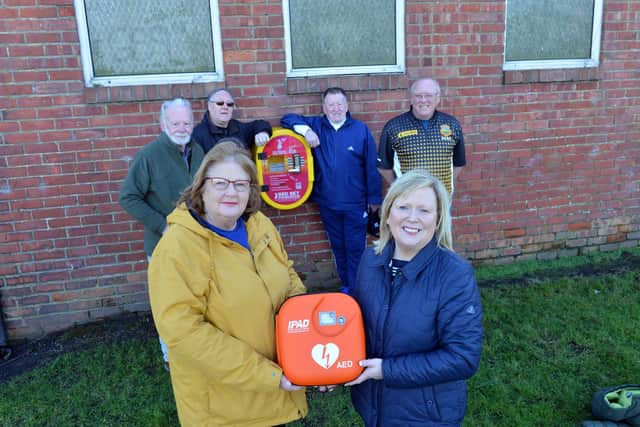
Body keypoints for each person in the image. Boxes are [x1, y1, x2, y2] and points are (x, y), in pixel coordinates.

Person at [147, 141, 308, 426]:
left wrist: (306, 349)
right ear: (201, 188)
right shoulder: (178, 247)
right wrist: (267, 375)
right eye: (220, 183)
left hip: (278, 390)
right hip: (226, 408)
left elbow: (289, 275)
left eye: (241, 184)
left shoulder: (259, 225)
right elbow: (182, 331)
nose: (231, 192)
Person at [345, 170, 483, 426]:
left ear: (438, 218)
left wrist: (387, 370)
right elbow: (358, 327)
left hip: (424, 414)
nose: (412, 218)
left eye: (424, 210)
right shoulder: (370, 260)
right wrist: (330, 369)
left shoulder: (453, 274)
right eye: (403, 207)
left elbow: (463, 357)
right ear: (387, 214)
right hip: (372, 406)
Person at [119, 98, 204, 370]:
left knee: (199, 299)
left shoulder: (199, 150)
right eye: (175, 123)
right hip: (164, 245)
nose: (182, 128)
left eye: (186, 122)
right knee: (170, 302)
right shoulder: (149, 156)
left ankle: (200, 351)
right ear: (163, 123)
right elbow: (128, 197)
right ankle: (172, 357)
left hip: (198, 241)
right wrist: (162, 225)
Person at [281, 87, 381, 294]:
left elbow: (371, 167)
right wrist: (306, 131)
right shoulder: (316, 125)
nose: (336, 108)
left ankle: (357, 290)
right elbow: (287, 119)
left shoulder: (360, 129)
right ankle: (347, 287)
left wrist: (374, 199)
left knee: (355, 250)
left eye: (339, 104)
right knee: (338, 248)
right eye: (331, 105)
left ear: (347, 106)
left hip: (355, 204)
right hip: (328, 203)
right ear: (324, 108)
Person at [377, 78, 466, 196]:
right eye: (418, 96)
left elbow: (458, 163)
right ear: (411, 99)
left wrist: (444, 185)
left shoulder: (452, 125)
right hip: (409, 199)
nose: (423, 100)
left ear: (437, 98)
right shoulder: (393, 127)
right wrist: (399, 188)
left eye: (428, 95)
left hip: (442, 199)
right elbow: (383, 167)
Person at [192, 88, 272, 153]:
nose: (225, 107)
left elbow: (260, 124)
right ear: (209, 106)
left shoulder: (239, 128)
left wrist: (262, 132)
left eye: (229, 104)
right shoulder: (197, 135)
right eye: (220, 103)